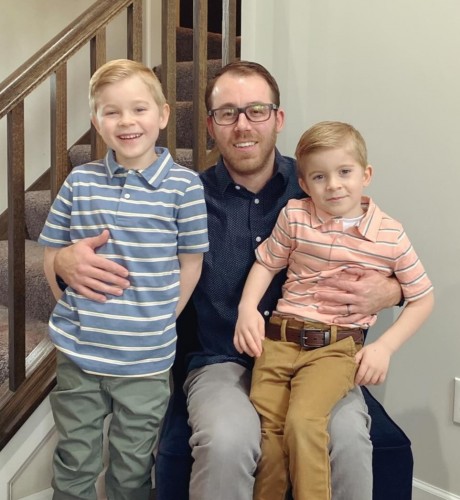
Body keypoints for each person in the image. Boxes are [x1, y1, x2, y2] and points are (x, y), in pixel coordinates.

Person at [53, 61, 403, 500]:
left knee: (348, 439)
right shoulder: (181, 195)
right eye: (227, 113)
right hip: (221, 362)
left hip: (319, 358)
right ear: (210, 126)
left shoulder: (320, 182)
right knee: (226, 442)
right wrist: (62, 261)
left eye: (256, 111)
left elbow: (385, 252)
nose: (242, 126)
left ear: (278, 119)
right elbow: (119, 255)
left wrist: (393, 289)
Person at [234, 121, 434, 500]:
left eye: (345, 172)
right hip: (276, 341)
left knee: (304, 422)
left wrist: (385, 347)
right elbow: (267, 264)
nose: (334, 185)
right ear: (305, 184)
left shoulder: (389, 235)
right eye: (320, 177)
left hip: (334, 348)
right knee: (270, 436)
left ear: (366, 174)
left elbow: (422, 297)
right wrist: (247, 308)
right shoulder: (295, 216)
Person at [38, 59, 208, 500]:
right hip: (79, 352)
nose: (126, 121)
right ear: (96, 121)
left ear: (163, 115)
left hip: (147, 361)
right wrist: (67, 297)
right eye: (111, 112)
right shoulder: (80, 181)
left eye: (138, 109)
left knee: (133, 466)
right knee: (75, 460)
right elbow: (52, 254)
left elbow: (191, 262)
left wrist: (163, 315)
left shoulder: (185, 187)